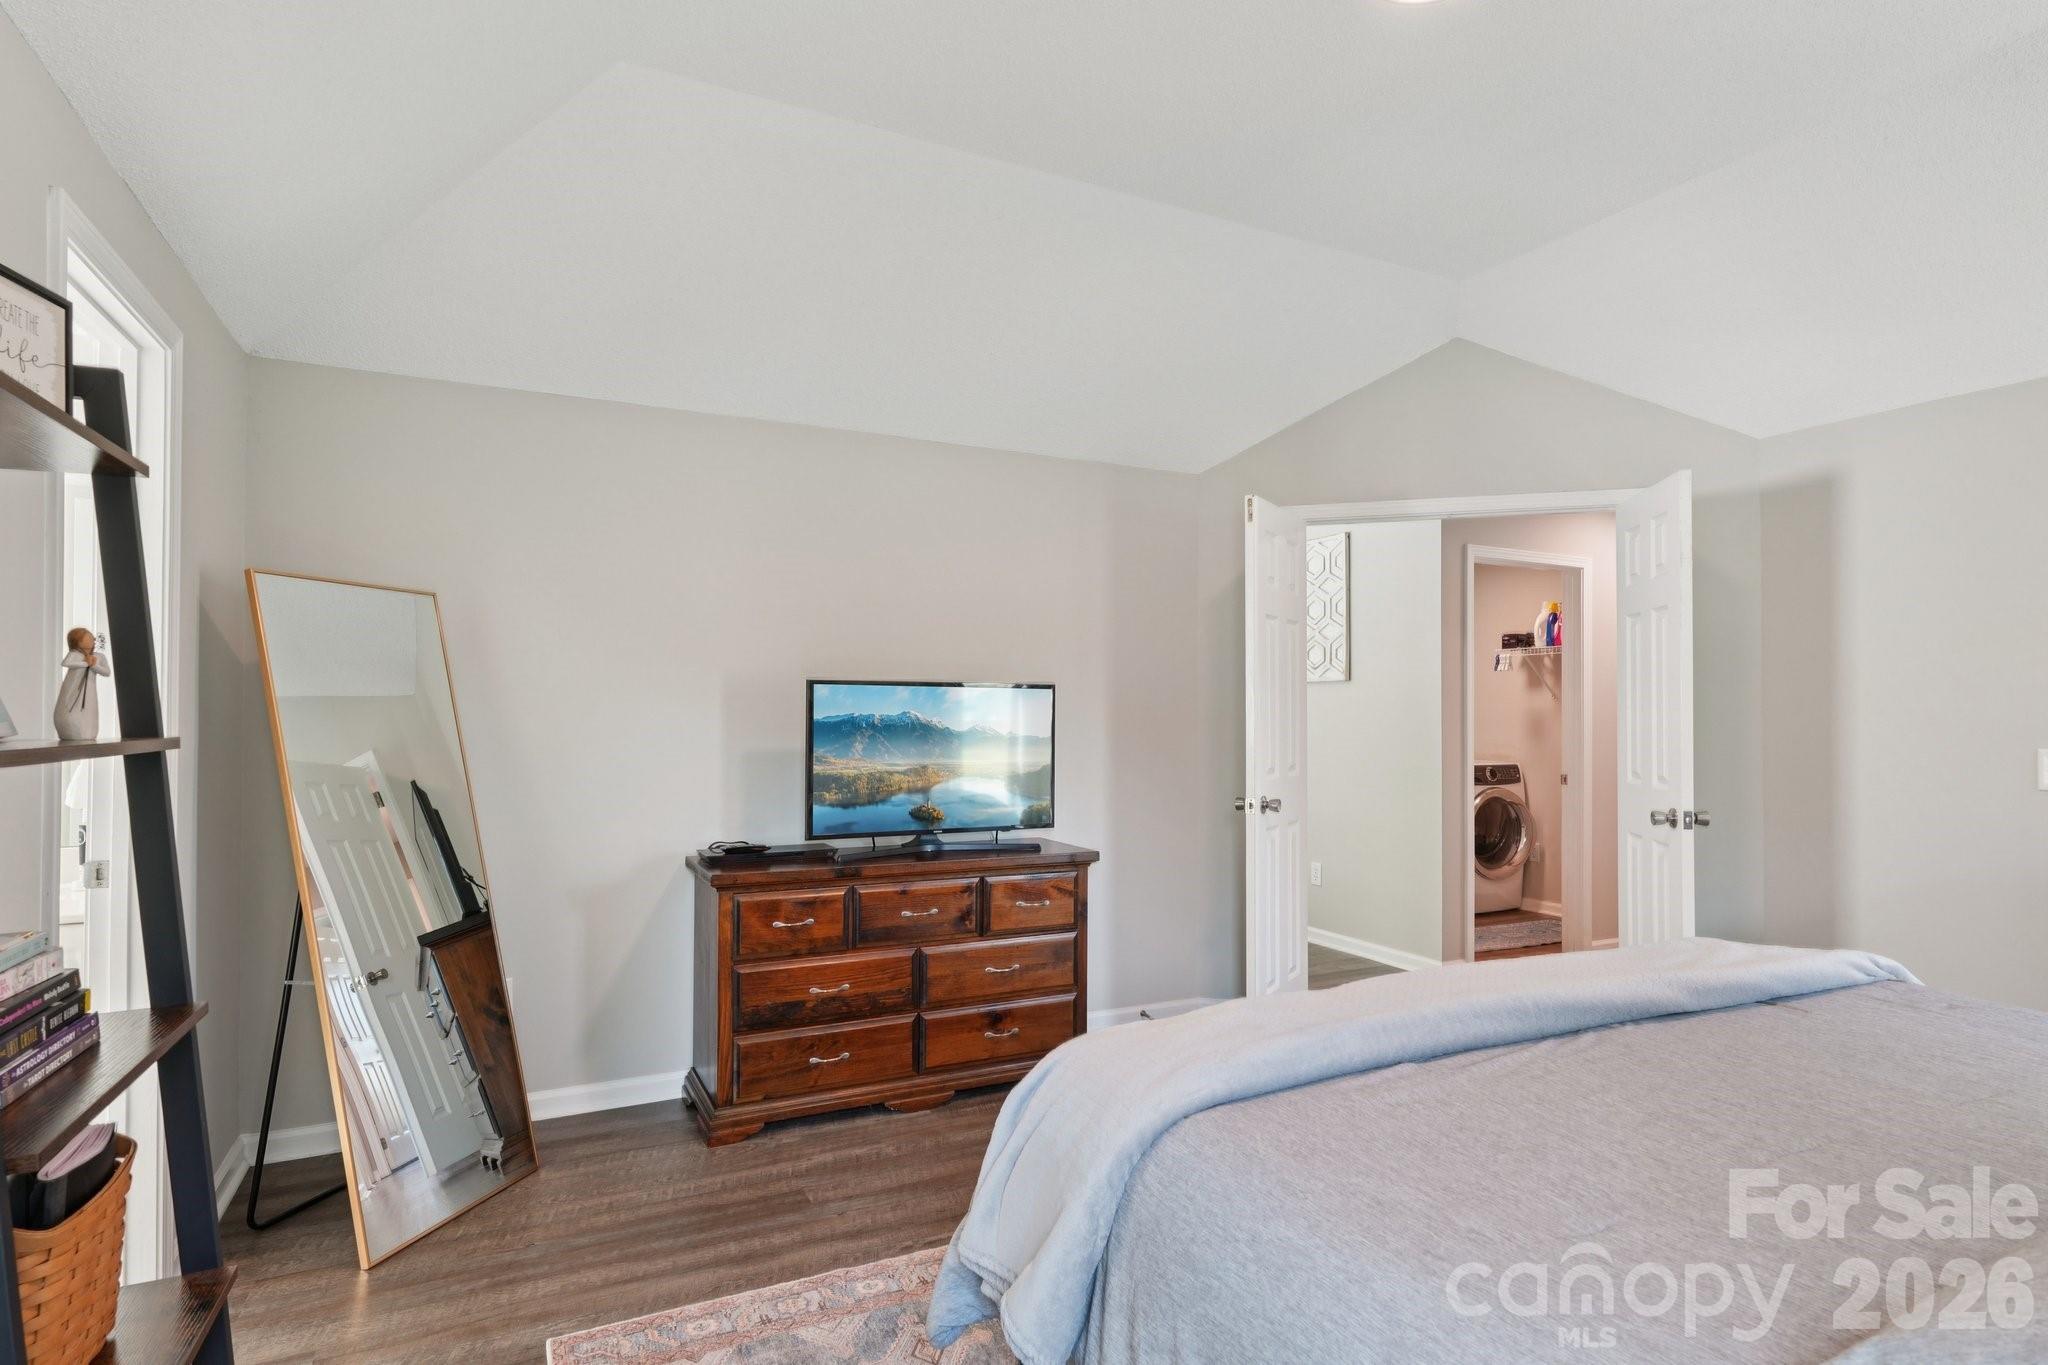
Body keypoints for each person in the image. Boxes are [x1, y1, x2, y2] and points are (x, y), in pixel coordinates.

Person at [53, 627, 110, 741]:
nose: (93, 639)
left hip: (89, 692)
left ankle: (87, 731)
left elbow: (106, 672)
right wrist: (85, 663)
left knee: (88, 710)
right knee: (69, 708)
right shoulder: (74, 654)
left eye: (92, 638)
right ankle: (68, 730)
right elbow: (66, 663)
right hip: (72, 688)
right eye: (88, 637)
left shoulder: (99, 656)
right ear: (78, 641)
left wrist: (94, 665)